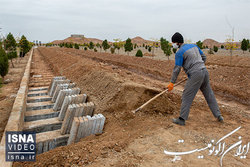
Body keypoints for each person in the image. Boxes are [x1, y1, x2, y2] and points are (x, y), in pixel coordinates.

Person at [167, 32, 224, 126]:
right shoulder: (194, 46)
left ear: (177, 43)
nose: (173, 45)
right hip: (204, 72)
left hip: (196, 74)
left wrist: (172, 83)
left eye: (173, 43)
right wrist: (199, 66)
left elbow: (177, 69)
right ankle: (218, 115)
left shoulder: (179, 52)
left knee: (186, 95)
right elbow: (204, 57)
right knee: (209, 94)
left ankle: (182, 119)